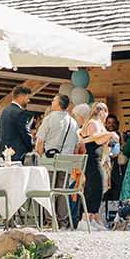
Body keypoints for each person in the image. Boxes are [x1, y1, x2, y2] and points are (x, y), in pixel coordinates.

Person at [35, 94, 82, 227]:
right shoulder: (74, 123)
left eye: (53, 100)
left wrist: (41, 155)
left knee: (49, 191)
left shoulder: (49, 119)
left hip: (49, 163)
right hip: (66, 163)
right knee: (62, 192)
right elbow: (76, 146)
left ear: (58, 104)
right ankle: (63, 221)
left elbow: (40, 142)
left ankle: (50, 221)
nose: (51, 102)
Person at [75, 101, 117, 228]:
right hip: (93, 159)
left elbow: (103, 141)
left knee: (97, 188)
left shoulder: (99, 124)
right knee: (94, 188)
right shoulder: (93, 123)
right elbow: (96, 138)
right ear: (102, 112)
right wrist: (110, 134)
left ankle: (92, 217)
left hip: (98, 159)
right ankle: (87, 218)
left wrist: (111, 138)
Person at [0, 85, 35, 162]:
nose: (28, 101)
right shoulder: (20, 113)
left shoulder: (4, 111)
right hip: (17, 152)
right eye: (27, 98)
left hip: (4, 151)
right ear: (21, 97)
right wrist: (31, 147)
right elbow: (25, 133)